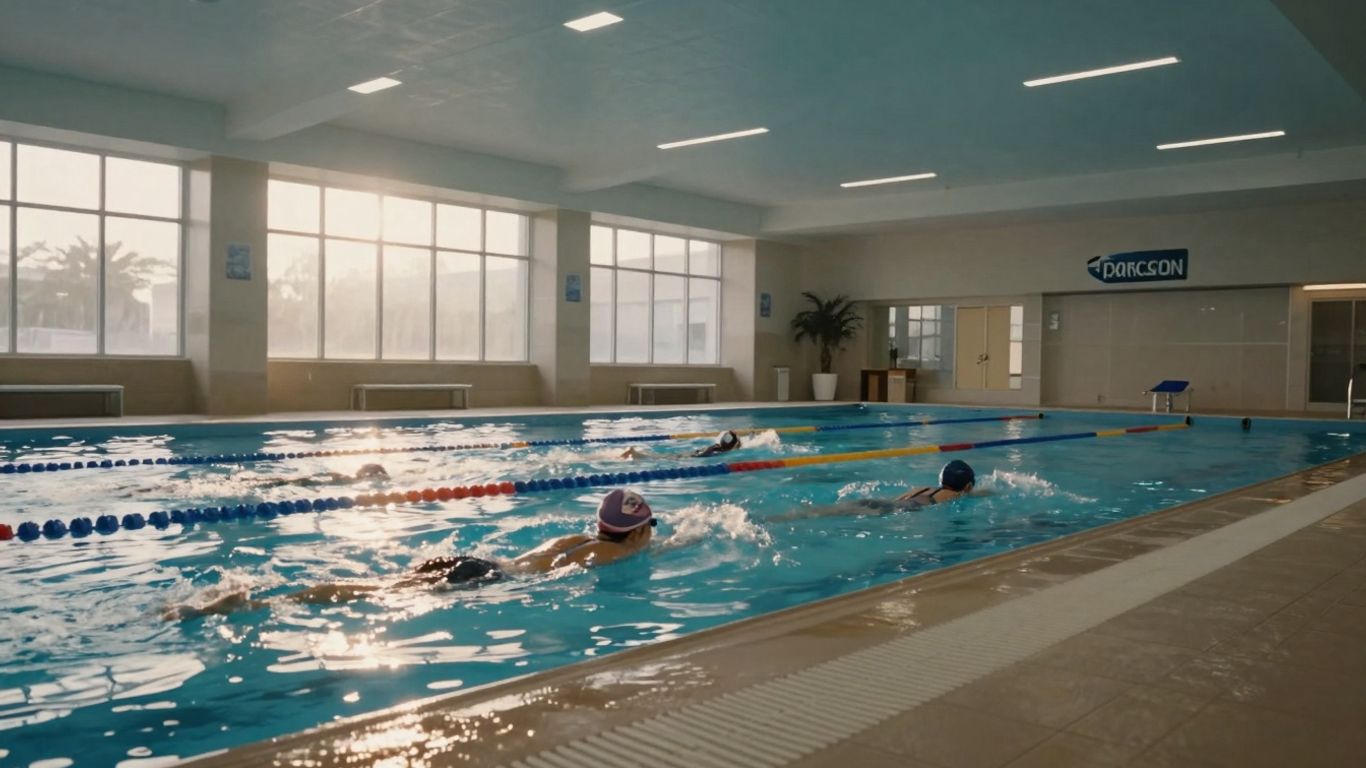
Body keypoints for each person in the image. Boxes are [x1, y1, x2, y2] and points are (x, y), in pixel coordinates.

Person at [163, 488, 657, 620]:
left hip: (475, 560)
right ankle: (259, 604)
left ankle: (266, 595)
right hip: (484, 578)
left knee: (381, 585)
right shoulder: (611, 556)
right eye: (650, 529)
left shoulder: (575, 539)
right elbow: (572, 579)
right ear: (635, 535)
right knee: (372, 593)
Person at [766, 460, 980, 522]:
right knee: (841, 514)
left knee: (835, 509)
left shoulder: (923, 488)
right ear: (967, 487)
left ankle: (783, 516)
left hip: (883, 500)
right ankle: (784, 518)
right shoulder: (954, 496)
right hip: (897, 509)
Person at [895, 459, 976, 506]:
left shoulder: (926, 489)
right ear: (968, 486)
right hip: (911, 507)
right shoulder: (955, 495)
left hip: (898, 502)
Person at [254, 462, 389, 489]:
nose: (359, 468)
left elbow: (386, 478)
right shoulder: (354, 478)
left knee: (283, 482)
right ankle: (253, 481)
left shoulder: (358, 479)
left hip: (315, 483)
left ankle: (255, 482)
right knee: (283, 481)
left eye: (363, 467)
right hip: (315, 481)